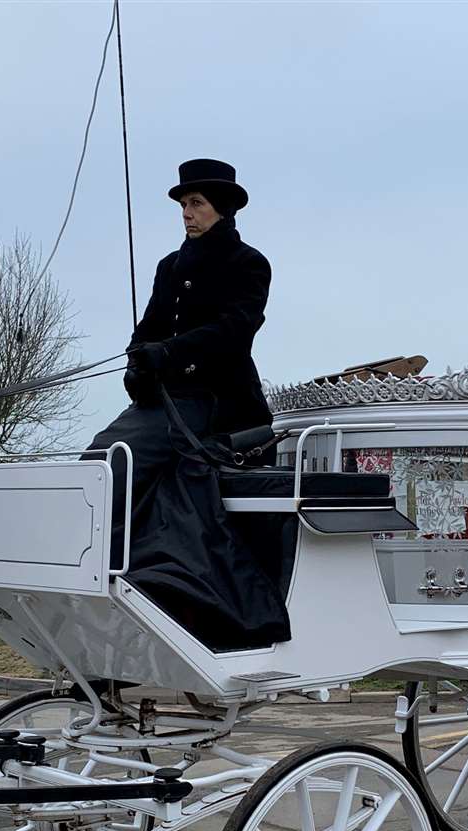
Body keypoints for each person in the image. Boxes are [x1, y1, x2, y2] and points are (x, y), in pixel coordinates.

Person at [85, 158, 289, 651]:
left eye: (195, 203)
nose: (186, 212)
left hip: (217, 401)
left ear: (221, 208)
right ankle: (102, 568)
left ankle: (122, 574)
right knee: (100, 457)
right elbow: (149, 327)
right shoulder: (170, 267)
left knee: (117, 463)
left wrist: (170, 353)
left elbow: (234, 332)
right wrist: (139, 363)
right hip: (164, 399)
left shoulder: (248, 264)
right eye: (183, 204)